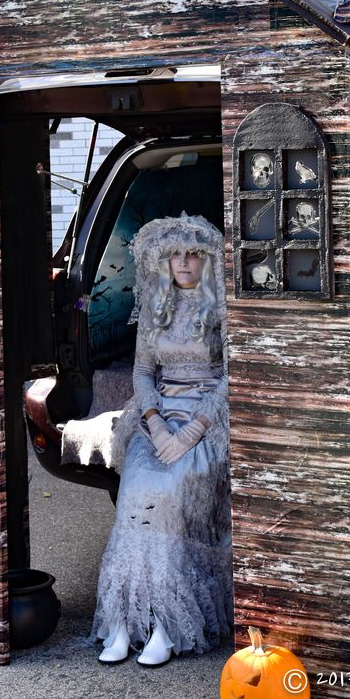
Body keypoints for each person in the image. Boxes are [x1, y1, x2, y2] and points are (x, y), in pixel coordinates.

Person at [93, 213, 232, 666]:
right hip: (157, 418)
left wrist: (193, 431)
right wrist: (154, 423)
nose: (184, 262)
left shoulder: (221, 310)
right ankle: (122, 621)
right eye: (175, 255)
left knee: (169, 498)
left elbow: (232, 375)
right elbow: (141, 372)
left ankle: (168, 625)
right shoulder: (156, 306)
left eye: (193, 254)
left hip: (206, 420)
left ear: (206, 261)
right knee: (135, 497)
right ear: (165, 262)